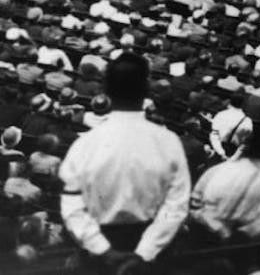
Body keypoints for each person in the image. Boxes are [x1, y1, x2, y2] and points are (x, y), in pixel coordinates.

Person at [59, 52, 192, 273]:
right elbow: (176, 206)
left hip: (99, 251)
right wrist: (145, 252)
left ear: (107, 90)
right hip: (152, 252)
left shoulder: (85, 144)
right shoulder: (169, 141)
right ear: (146, 89)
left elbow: (72, 206)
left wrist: (102, 250)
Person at [189, 119, 260, 242]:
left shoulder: (215, 171)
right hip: (243, 248)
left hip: (205, 240)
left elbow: (194, 207)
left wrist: (217, 227)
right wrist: (238, 235)